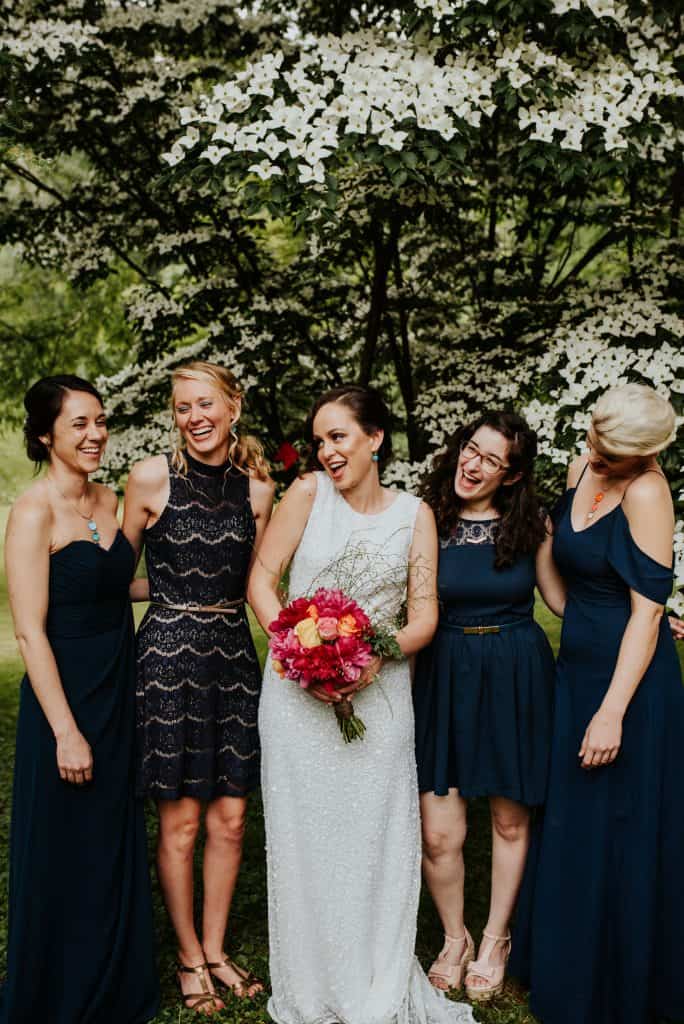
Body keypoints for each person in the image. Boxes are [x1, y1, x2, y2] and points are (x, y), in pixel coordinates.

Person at [248, 384, 475, 1024]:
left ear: (375, 439)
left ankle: (374, 977)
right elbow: (263, 582)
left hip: (380, 696)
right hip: (295, 699)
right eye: (319, 440)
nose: (325, 452)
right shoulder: (306, 494)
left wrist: (375, 655)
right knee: (303, 842)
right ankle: (313, 982)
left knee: (376, 838)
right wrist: (296, 653)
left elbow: (424, 615)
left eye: (338, 437)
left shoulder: (415, 515)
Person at [510, 383, 684, 1024]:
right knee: (572, 821)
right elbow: (562, 590)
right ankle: (565, 962)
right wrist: (540, 551)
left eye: (611, 453)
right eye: (593, 442)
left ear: (644, 454)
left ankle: (626, 975)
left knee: (625, 824)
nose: (594, 457)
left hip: (632, 685)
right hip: (577, 667)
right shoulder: (582, 465)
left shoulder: (647, 492)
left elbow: (647, 614)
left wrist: (612, 711)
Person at [2, 375, 159, 1023]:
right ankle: (59, 989)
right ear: (45, 435)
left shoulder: (110, 496)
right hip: (63, 696)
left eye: (100, 421)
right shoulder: (33, 511)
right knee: (65, 843)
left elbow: (109, 585)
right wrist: (65, 731)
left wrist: (193, 583)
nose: (96, 434)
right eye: (79, 425)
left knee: (111, 835)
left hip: (117, 687)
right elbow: (29, 629)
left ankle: (117, 978)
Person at [123, 361, 274, 1014]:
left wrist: (310, 650)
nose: (196, 417)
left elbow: (257, 588)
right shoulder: (150, 478)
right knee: (181, 823)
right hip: (165, 662)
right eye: (183, 407)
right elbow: (115, 577)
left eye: (206, 403)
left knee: (232, 819)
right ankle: (187, 957)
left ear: (233, 406)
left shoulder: (259, 489)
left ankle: (215, 948)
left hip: (234, 660)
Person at [413, 411, 565, 1002]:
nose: (471, 464)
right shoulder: (428, 519)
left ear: (512, 474)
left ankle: (497, 936)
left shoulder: (533, 529)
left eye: (490, 459)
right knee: (439, 831)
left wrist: (641, 621)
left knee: (509, 818)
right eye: (469, 449)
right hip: (444, 674)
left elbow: (559, 601)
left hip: (514, 675)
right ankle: (455, 936)